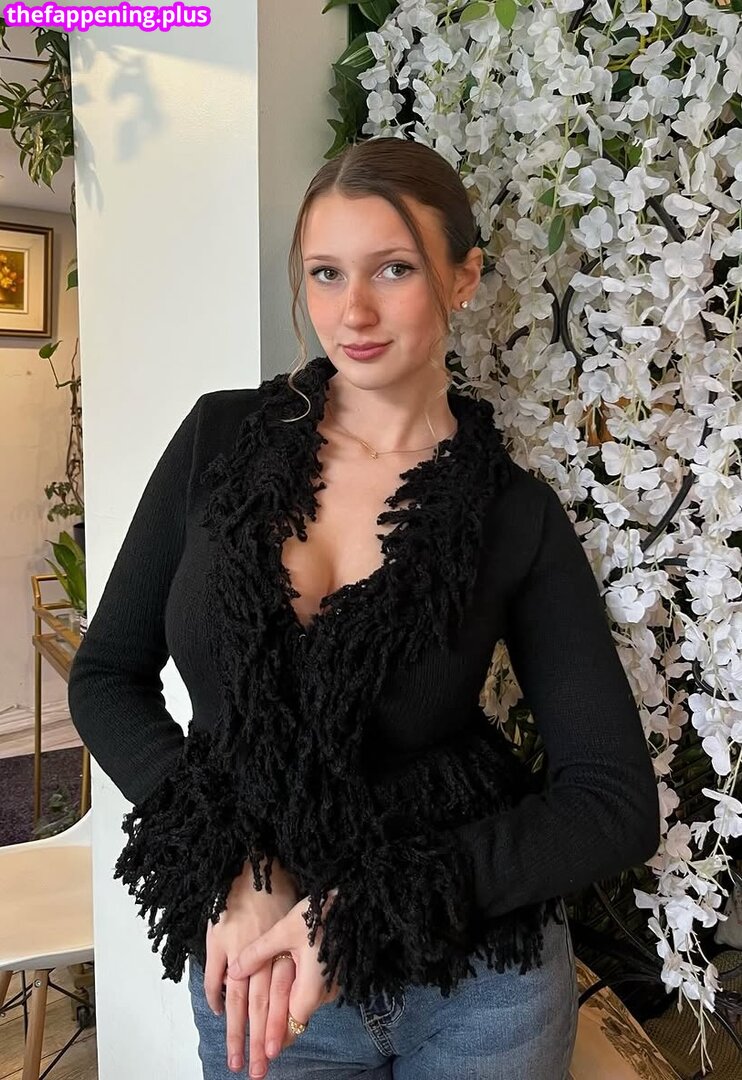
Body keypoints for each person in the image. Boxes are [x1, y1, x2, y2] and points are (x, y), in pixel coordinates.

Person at [67, 136, 661, 1080]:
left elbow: (613, 802)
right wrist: (237, 869)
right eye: (326, 273)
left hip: (477, 988)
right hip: (264, 982)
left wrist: (363, 913)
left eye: (394, 269)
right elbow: (106, 678)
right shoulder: (221, 437)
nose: (353, 312)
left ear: (463, 278)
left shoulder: (513, 514)